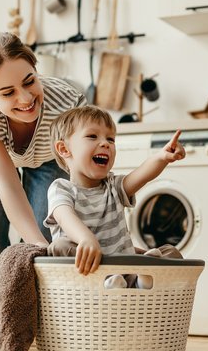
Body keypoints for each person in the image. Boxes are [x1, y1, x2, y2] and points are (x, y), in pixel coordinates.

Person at [0, 32, 86, 347]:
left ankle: (42, 328)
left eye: (30, 81)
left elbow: (82, 169)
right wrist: (34, 243)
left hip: (49, 157)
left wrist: (46, 243)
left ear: (35, 68)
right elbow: (6, 184)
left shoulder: (68, 102)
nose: (25, 99)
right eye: (8, 92)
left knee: (48, 235)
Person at [44, 105, 186, 288]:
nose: (105, 143)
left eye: (110, 139)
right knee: (58, 248)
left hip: (125, 267)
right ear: (64, 149)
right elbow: (64, 217)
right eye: (92, 136)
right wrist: (86, 239)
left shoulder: (113, 186)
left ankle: (141, 280)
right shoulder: (61, 188)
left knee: (170, 253)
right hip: (88, 273)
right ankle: (117, 282)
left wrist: (161, 157)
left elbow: (141, 174)